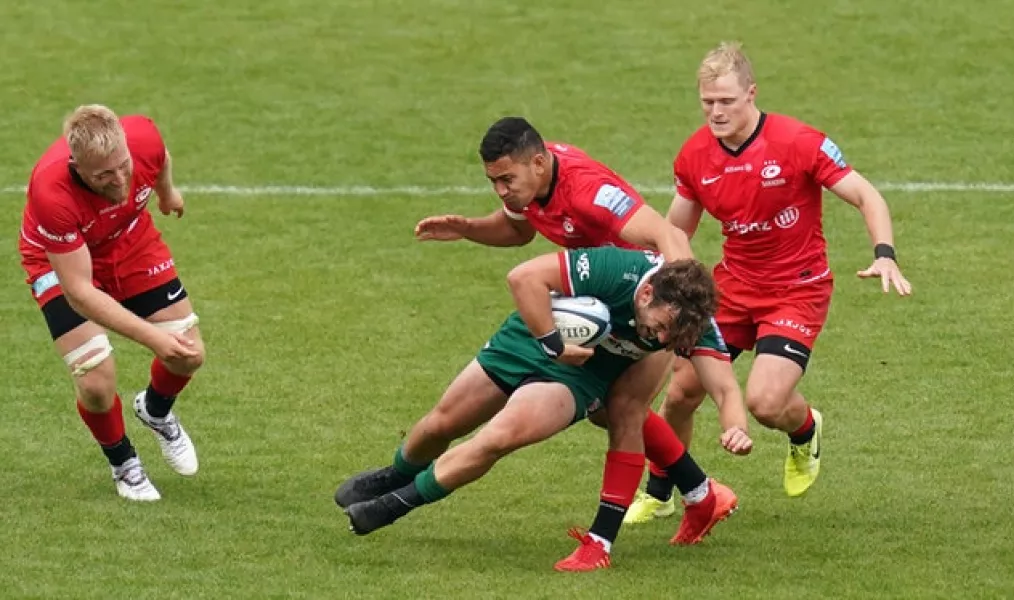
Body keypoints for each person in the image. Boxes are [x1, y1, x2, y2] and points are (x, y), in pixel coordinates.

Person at [406, 116, 744, 567]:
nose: (502, 190)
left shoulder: (590, 192)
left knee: (623, 409)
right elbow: (517, 230)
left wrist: (675, 293)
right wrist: (469, 228)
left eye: (506, 179)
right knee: (611, 412)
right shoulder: (530, 181)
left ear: (539, 163)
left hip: (645, 304)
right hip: (598, 304)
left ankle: (604, 542)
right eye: (495, 182)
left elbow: (669, 235)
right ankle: (702, 494)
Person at [625, 42, 914, 523]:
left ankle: (804, 432)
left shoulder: (798, 141)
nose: (716, 112)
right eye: (707, 102)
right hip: (732, 290)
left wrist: (884, 254)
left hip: (797, 290)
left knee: (764, 402)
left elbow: (866, 195)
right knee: (680, 393)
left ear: (751, 93)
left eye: (726, 101)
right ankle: (661, 491)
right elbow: (676, 232)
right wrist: (643, 276)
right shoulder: (695, 156)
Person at [338, 246, 752, 571]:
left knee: (497, 438)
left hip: (581, 376)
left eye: (670, 337)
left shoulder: (690, 326)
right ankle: (395, 475)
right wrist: (552, 341)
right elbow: (524, 276)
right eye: (659, 327)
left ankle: (394, 506)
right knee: (442, 422)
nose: (662, 340)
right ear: (645, 294)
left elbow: (726, 390)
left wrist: (736, 428)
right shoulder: (617, 270)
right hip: (534, 335)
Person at [18, 104, 205, 502]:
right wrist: (152, 339)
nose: (120, 179)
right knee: (95, 379)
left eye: (123, 165)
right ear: (78, 167)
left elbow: (161, 158)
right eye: (103, 174)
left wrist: (168, 193)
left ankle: (155, 410)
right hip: (60, 258)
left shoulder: (143, 138)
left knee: (189, 355)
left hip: (128, 237)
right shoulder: (52, 194)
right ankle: (124, 463)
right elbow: (81, 294)